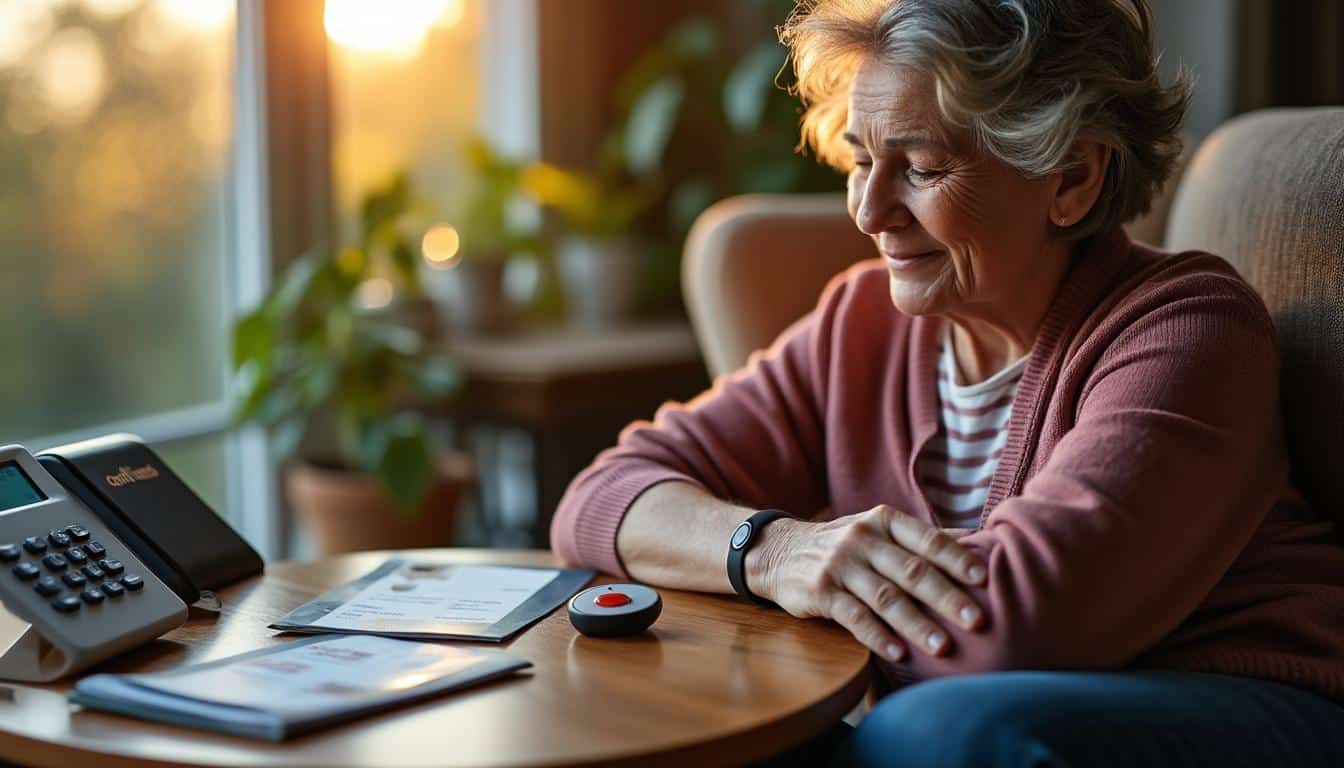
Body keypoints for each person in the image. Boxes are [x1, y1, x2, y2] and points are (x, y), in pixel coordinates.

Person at [551, 0, 1344, 764]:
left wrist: (808, 588)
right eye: (863, 160)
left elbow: (1012, 624)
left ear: (1071, 176)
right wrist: (776, 552)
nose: (869, 212)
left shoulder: (1189, 328)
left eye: (922, 168)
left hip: (1233, 699)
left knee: (933, 736)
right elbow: (604, 499)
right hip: (970, 710)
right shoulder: (860, 325)